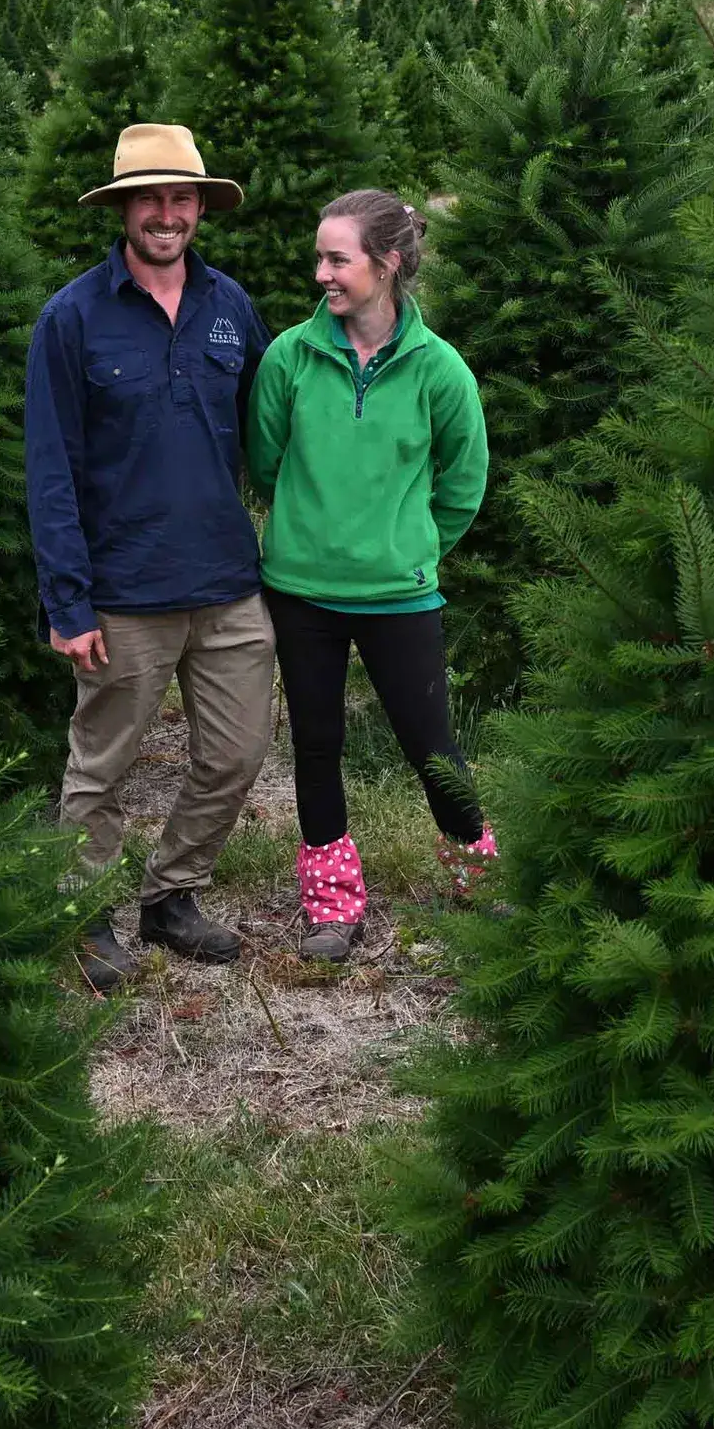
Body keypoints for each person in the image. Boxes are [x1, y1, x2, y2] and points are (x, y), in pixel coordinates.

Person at [24, 124, 277, 991]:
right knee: (102, 767)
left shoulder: (231, 308)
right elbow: (50, 468)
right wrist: (69, 601)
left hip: (227, 583)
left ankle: (171, 897)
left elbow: (269, 433)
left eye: (181, 199)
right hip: (123, 591)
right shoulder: (73, 318)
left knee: (240, 750)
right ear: (124, 209)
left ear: (200, 207)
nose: (167, 215)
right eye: (150, 200)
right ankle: (86, 915)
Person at [245, 189, 494, 963]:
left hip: (400, 595)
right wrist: (308, 534)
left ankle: (477, 889)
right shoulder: (290, 356)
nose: (321, 272)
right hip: (302, 593)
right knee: (316, 745)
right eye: (319, 256)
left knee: (432, 747)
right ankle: (332, 904)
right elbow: (264, 460)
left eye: (337, 258)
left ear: (385, 265)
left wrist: (410, 545)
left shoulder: (438, 369)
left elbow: (465, 478)